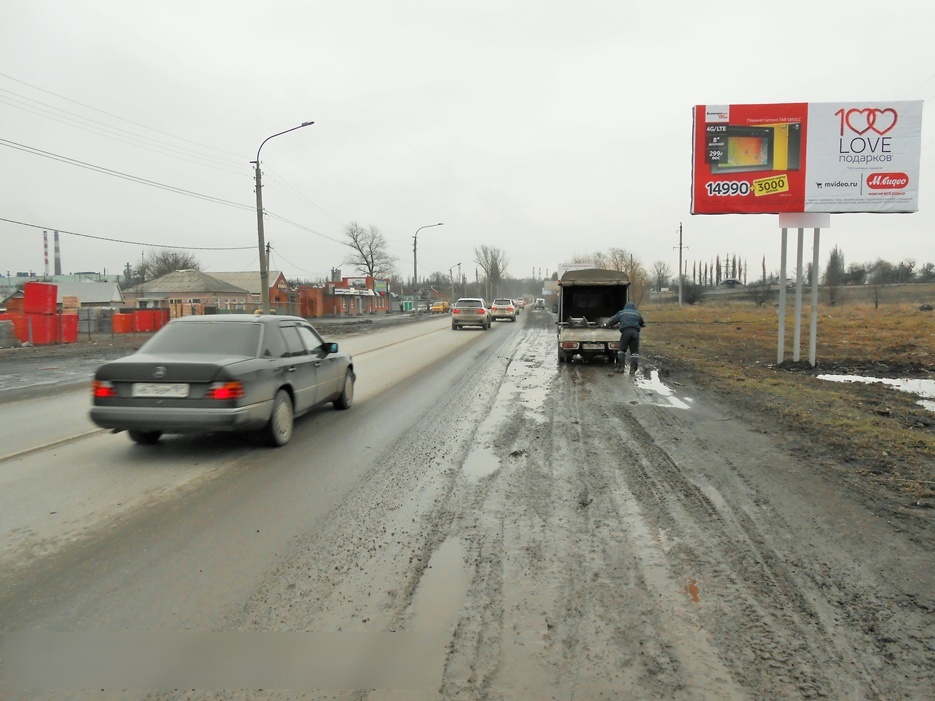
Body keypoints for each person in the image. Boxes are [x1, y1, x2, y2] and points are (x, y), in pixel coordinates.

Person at [604, 301, 645, 375]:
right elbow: (642, 323)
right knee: (634, 352)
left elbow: (613, 321)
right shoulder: (637, 313)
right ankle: (632, 370)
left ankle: (621, 367)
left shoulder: (622, 313)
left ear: (625, 306)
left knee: (621, 350)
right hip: (635, 333)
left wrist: (607, 324)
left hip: (625, 333)